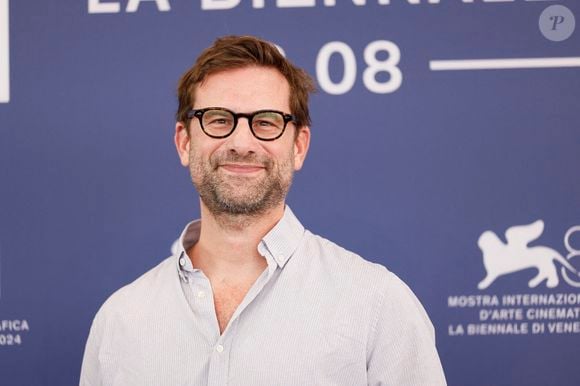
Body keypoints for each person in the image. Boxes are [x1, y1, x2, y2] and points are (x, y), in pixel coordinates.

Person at [80, 35, 447, 386]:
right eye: (219, 119)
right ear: (184, 142)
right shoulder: (119, 321)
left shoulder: (378, 307)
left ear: (299, 146)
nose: (241, 142)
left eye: (266, 121)